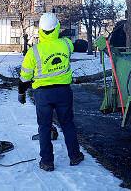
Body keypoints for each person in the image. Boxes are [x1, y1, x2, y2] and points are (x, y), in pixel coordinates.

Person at [18, 12, 84, 172]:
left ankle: (47, 162)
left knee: (44, 127)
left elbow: (25, 77)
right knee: (67, 123)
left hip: (43, 95)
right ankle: (75, 156)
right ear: (57, 28)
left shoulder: (34, 51)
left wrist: (21, 92)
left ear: (40, 30)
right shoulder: (67, 44)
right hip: (63, 91)